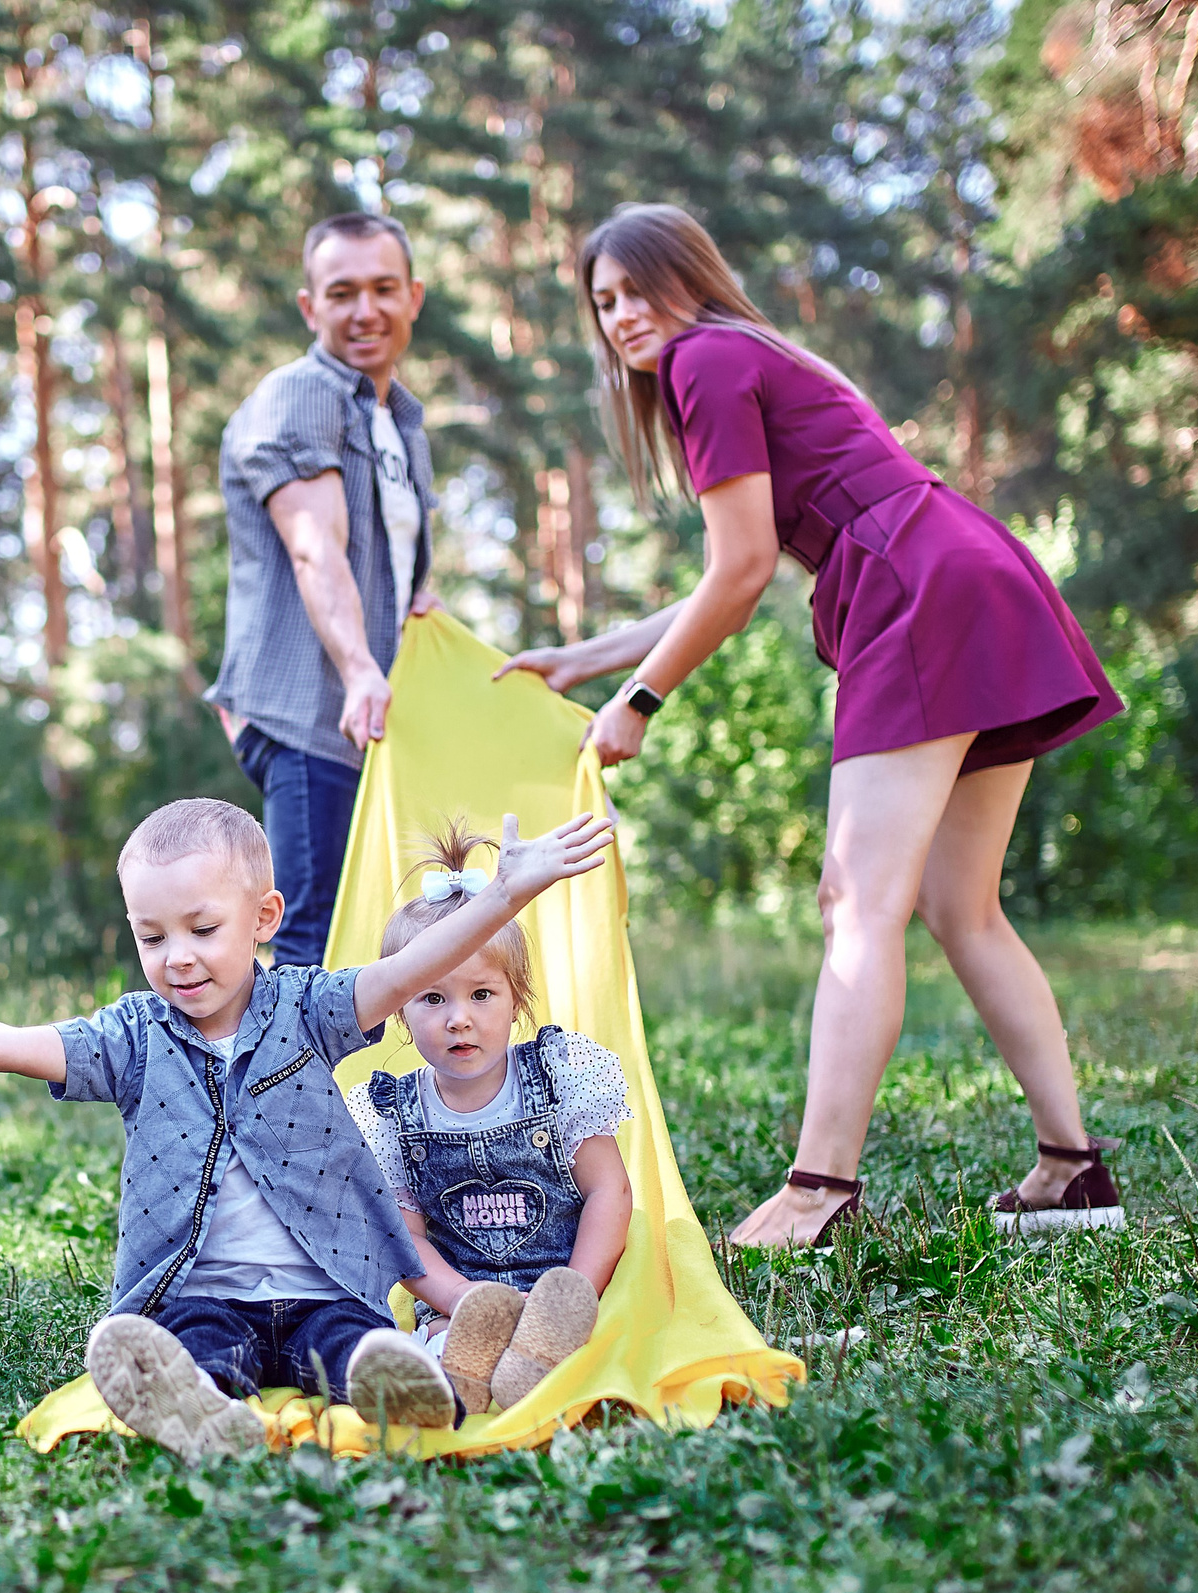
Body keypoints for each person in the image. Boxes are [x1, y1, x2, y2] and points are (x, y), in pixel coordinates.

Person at [500, 202, 1129, 1249]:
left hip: (915, 593)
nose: (618, 317)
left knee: (855, 902)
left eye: (634, 289)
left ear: (687, 277)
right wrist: (588, 659)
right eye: (600, 303)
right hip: (961, 568)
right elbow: (739, 567)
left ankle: (817, 1190)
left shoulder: (703, 361)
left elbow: (741, 572)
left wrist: (641, 701)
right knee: (957, 905)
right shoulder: (747, 353)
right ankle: (1072, 1169)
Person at [0, 797, 616, 1461]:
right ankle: (207, 1414)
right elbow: (12, 1043)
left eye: (201, 929)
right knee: (190, 1347)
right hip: (201, 1288)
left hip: (322, 1286)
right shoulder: (133, 1038)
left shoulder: (309, 1009)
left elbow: (413, 969)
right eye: (152, 936)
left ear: (263, 916)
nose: (177, 956)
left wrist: (507, 894)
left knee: (355, 1343)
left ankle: (388, 1384)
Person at [209, 210, 442, 968]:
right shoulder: (301, 395)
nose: (365, 310)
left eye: (383, 288)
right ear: (310, 307)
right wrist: (360, 668)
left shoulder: (401, 420)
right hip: (310, 712)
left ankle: (355, 1093)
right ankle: (257, 1093)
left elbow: (404, 574)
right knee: (309, 946)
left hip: (366, 718)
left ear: (415, 296)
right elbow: (316, 548)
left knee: (377, 943)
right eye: (342, 292)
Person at [343, 822, 634, 1415]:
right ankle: (460, 1376)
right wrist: (461, 1297)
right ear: (399, 1008)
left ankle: (540, 1353)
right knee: (447, 1347)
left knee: (582, 1324)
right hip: (461, 1302)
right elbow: (404, 1239)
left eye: (481, 995)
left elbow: (609, 1189)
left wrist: (578, 1288)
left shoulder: (559, 1076)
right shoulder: (392, 1114)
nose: (459, 1019)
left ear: (515, 997)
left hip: (560, 1286)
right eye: (432, 998)